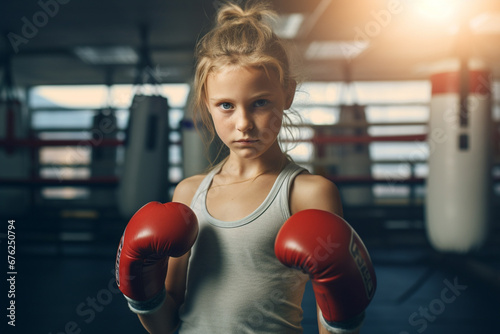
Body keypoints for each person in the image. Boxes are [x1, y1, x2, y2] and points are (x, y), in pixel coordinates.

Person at [114, 1, 376, 333]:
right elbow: (166, 324)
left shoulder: (307, 193)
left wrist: (344, 318)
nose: (244, 124)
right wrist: (142, 295)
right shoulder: (189, 192)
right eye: (226, 105)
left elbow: (330, 317)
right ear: (206, 104)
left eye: (260, 103)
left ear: (288, 94)